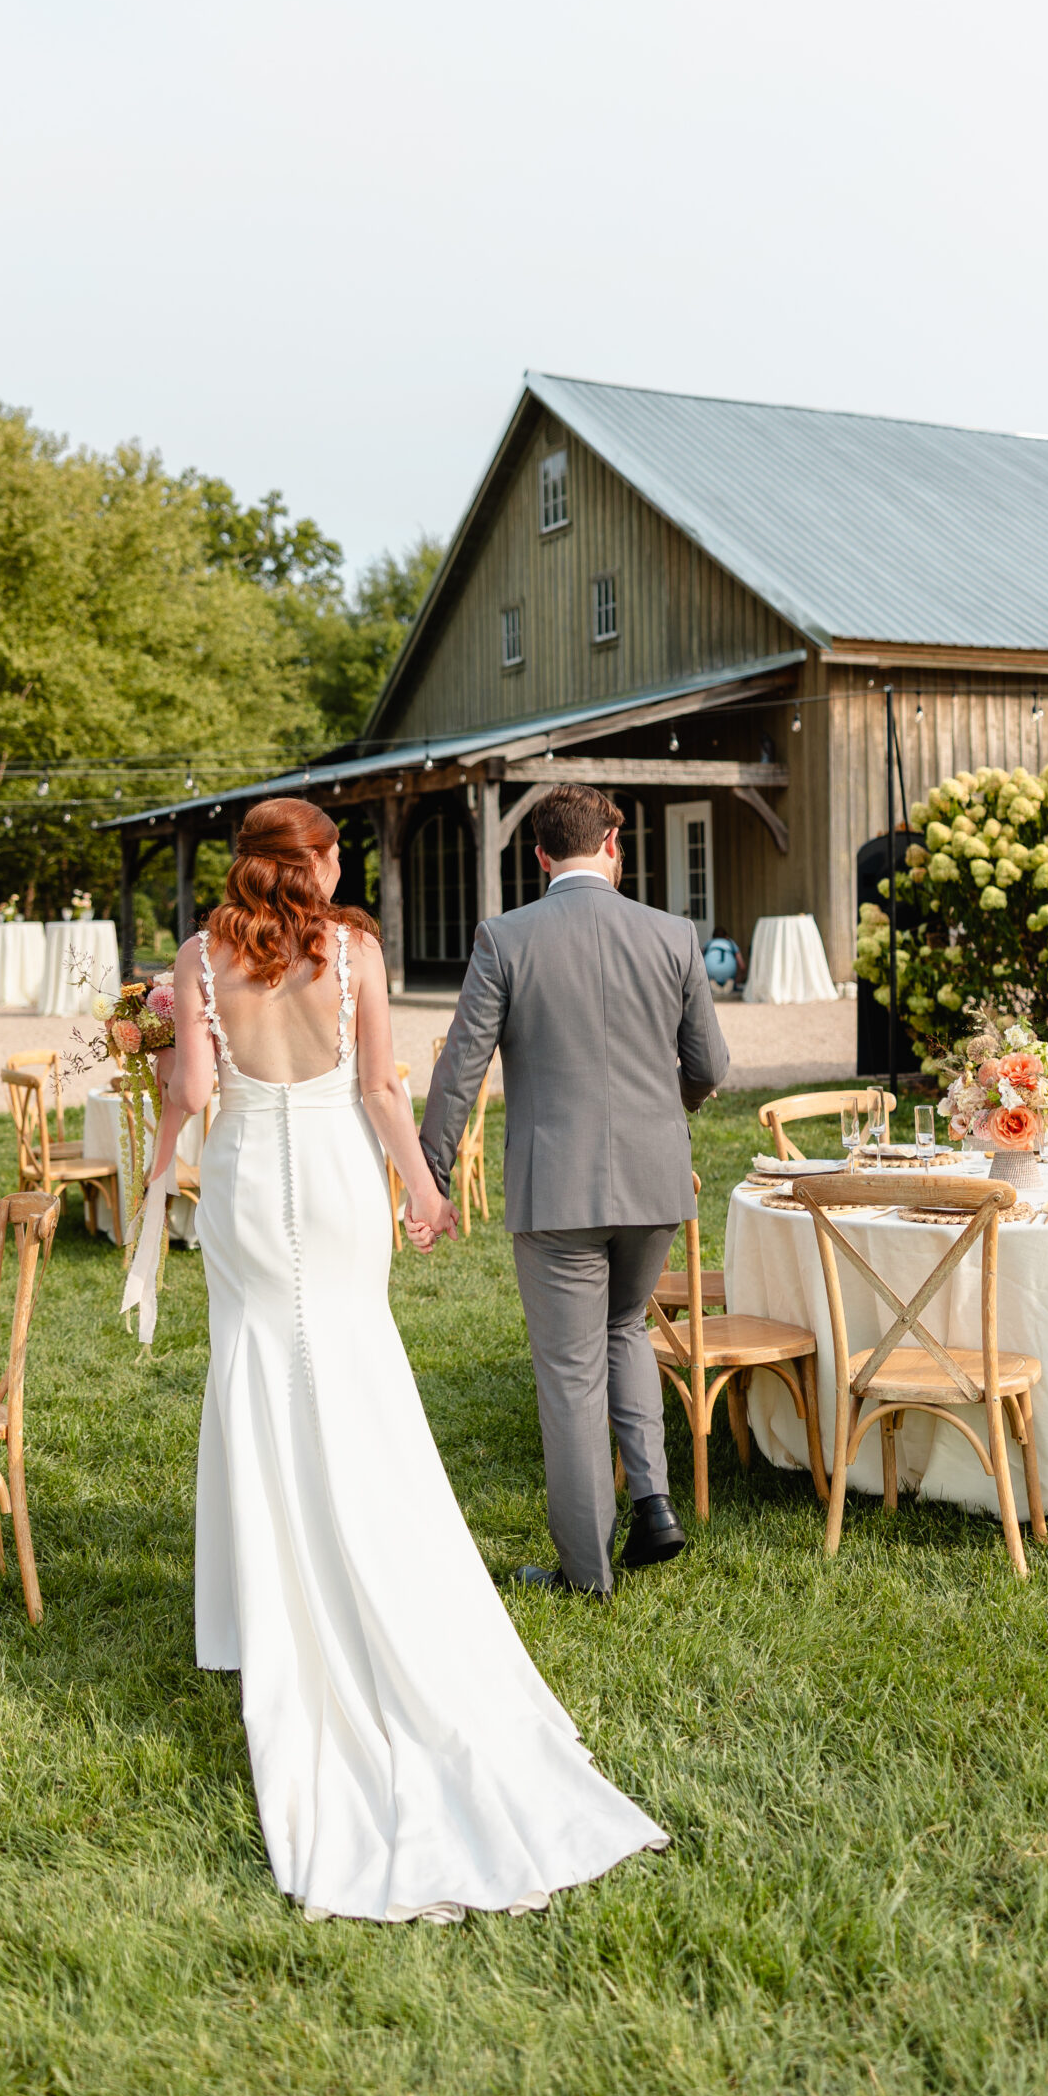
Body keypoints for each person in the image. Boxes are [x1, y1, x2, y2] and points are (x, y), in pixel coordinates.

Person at [143, 795, 664, 1925]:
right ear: (310, 863)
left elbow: (192, 1094)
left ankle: (267, 1602)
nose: (339, 869)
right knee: (357, 1373)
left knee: (255, 1378)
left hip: (243, 1189)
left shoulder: (195, 956)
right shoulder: (359, 951)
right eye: (332, 853)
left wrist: (153, 1174)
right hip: (333, 1185)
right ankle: (372, 1557)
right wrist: (424, 1196)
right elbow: (384, 1091)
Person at [420, 782, 732, 1598]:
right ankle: (654, 1505)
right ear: (613, 849)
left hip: (555, 1190)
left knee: (568, 1371)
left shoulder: (505, 936)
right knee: (625, 1329)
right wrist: (675, 1109)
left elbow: (460, 1070)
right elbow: (710, 1068)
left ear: (539, 856)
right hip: (655, 1180)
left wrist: (433, 1173)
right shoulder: (672, 933)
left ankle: (585, 1572)